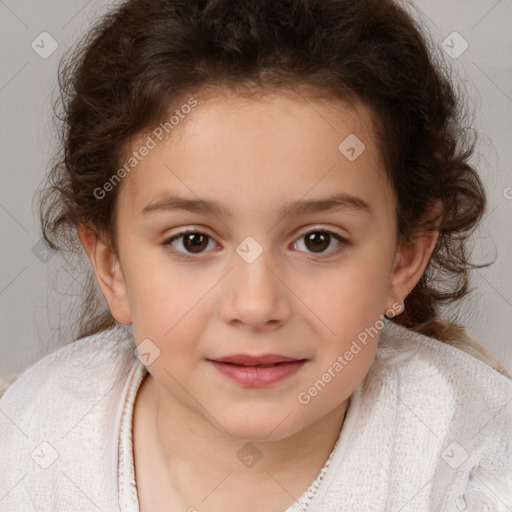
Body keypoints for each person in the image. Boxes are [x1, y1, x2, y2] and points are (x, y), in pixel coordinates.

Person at [1, 0, 511, 510]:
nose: (255, 305)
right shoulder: (31, 448)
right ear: (112, 267)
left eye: (318, 240)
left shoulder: (474, 466)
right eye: (193, 241)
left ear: (405, 257)